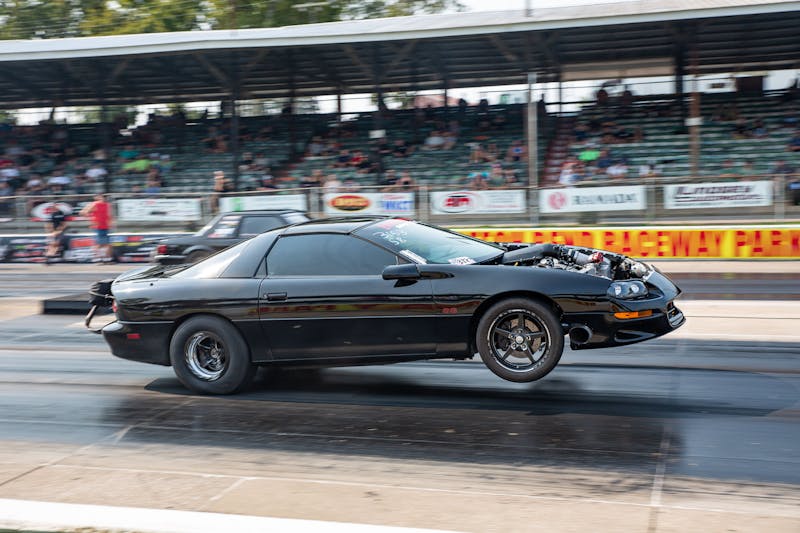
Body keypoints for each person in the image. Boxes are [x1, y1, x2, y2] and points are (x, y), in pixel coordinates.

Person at [80, 194, 113, 263]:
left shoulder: (107, 205)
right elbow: (83, 212)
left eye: (103, 197)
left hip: (105, 226)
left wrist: (111, 224)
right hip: (98, 227)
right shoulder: (94, 204)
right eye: (101, 197)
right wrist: (92, 220)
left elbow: (109, 215)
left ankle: (107, 259)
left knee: (107, 244)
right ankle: (98, 258)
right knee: (98, 244)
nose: (103, 198)